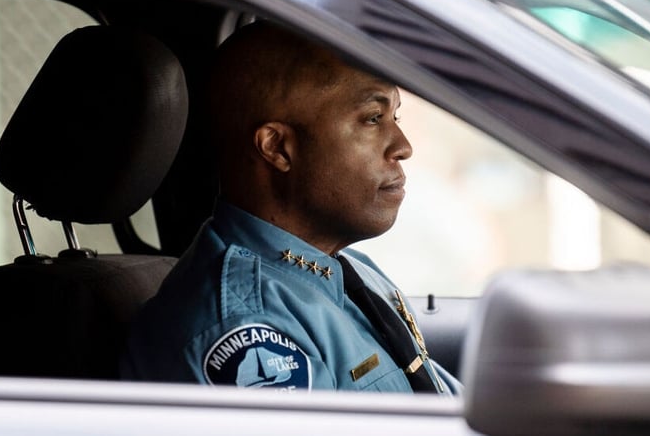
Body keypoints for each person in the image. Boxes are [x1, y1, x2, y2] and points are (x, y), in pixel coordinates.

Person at [121, 21, 461, 394]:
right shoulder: (248, 328)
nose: (402, 146)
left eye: (394, 117)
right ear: (278, 147)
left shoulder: (349, 270)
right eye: (372, 119)